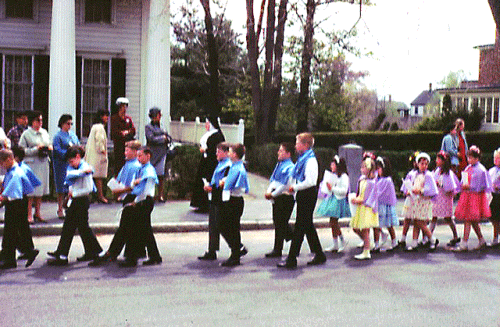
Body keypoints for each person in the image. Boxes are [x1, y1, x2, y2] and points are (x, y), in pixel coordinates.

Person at [88, 140, 142, 267]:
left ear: (134, 152)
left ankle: (120, 254)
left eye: (127, 150)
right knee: (126, 228)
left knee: (127, 228)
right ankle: (116, 253)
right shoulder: (128, 164)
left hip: (131, 198)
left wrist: (119, 191)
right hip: (126, 197)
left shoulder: (135, 166)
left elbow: (132, 186)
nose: (125, 152)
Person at [47, 146, 103, 266]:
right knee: (80, 227)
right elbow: (70, 179)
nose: (70, 164)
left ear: (78, 157)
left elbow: (88, 189)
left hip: (82, 200)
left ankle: (63, 255)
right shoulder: (80, 168)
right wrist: (71, 193)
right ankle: (92, 251)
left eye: (72, 161)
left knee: (71, 227)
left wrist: (73, 194)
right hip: (76, 200)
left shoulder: (85, 168)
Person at [278, 133, 326, 269]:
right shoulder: (303, 159)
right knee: (307, 225)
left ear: (305, 145)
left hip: (308, 194)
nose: (295, 145)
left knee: (300, 226)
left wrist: (295, 187)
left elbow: (311, 181)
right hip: (303, 194)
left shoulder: (310, 160)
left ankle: (291, 258)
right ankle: (319, 254)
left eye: (298, 142)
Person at [120, 146, 162, 267]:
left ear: (148, 156)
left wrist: (136, 201)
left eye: (140, 155)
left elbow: (146, 191)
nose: (138, 158)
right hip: (142, 201)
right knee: (145, 230)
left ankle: (132, 259)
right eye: (137, 156)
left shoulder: (149, 170)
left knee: (135, 229)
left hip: (144, 202)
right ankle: (154, 256)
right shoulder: (143, 169)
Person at [0, 149, 39, 269]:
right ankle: (26, 250)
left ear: (9, 160)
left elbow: (10, 193)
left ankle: (10, 259)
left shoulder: (15, 173)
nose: (1, 166)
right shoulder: (20, 169)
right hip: (21, 201)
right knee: (20, 228)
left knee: (10, 231)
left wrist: (2, 200)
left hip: (15, 203)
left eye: (1, 163)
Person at [198, 142, 232, 261]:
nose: (216, 153)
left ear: (226, 153)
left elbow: (225, 183)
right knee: (213, 225)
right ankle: (212, 250)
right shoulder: (220, 164)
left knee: (221, 225)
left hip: (221, 199)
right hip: (214, 197)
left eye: (219, 151)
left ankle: (237, 247)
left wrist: (212, 188)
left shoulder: (228, 166)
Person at [454, 146, 491, 252]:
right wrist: (463, 185)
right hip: (467, 196)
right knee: (472, 220)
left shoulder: (481, 170)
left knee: (468, 219)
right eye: (468, 158)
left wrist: (470, 186)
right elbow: (464, 179)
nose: (469, 160)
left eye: (471, 158)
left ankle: (464, 243)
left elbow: (482, 185)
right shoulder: (468, 167)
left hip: (475, 197)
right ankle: (481, 239)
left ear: (477, 158)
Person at [218, 143, 249, 267]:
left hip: (234, 201)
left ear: (235, 154)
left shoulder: (239, 168)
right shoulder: (235, 166)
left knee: (231, 228)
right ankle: (237, 249)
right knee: (227, 227)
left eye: (230, 151)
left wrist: (224, 184)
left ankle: (235, 254)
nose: (228, 153)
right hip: (231, 200)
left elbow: (239, 187)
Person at [402, 152, 439, 252]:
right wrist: (409, 191)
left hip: (423, 201)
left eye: (426, 164)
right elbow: (408, 185)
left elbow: (432, 190)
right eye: (422, 163)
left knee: (420, 222)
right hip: (415, 201)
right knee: (416, 221)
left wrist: (421, 191)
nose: (424, 166)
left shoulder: (428, 175)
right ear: (417, 164)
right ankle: (414, 242)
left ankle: (432, 239)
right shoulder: (414, 174)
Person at [19, 111, 52, 223]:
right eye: (38, 120)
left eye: (41, 120)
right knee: (31, 190)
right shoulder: (26, 134)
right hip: (32, 164)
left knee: (40, 189)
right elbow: (21, 150)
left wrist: (48, 147)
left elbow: (48, 143)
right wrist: (35, 149)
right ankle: (29, 214)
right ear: (32, 121)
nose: (40, 123)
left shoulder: (44, 132)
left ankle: (38, 212)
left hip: (43, 162)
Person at [264, 142, 295, 258]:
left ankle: (278, 249)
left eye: (281, 151)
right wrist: (269, 191)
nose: (278, 152)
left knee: (280, 223)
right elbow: (273, 180)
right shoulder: (279, 165)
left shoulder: (290, 167)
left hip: (285, 197)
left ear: (288, 154)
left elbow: (285, 185)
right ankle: (291, 236)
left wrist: (273, 194)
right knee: (278, 222)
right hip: (278, 196)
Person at [316, 155, 350, 253]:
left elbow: (344, 191)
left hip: (339, 200)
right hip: (333, 199)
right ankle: (335, 243)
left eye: (333, 164)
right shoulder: (335, 176)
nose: (331, 166)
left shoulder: (344, 177)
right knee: (332, 221)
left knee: (334, 221)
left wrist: (332, 188)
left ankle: (342, 240)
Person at [191, 118, 225, 213]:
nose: (206, 125)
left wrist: (205, 150)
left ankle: (207, 204)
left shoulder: (217, 135)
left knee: (209, 181)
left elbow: (216, 149)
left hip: (212, 162)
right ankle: (200, 204)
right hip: (205, 161)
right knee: (202, 181)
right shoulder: (209, 134)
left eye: (207, 123)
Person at [350, 156, 379, 260]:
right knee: (356, 228)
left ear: (369, 169)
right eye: (361, 167)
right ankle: (367, 244)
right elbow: (360, 193)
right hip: (360, 208)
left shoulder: (371, 182)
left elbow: (367, 198)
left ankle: (366, 251)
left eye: (364, 167)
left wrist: (357, 200)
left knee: (365, 229)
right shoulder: (362, 179)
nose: (361, 169)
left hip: (366, 208)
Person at [430, 151, 460, 247]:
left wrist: (441, 185)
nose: (436, 161)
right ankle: (428, 236)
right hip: (437, 197)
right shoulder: (436, 171)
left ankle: (455, 236)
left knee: (448, 218)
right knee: (433, 216)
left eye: (439, 159)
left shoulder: (448, 173)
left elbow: (451, 187)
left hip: (445, 198)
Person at [53, 114, 80, 219]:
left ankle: (69, 207)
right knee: (61, 187)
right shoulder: (58, 136)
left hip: (72, 164)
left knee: (71, 186)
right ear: (62, 124)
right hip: (61, 164)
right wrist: (67, 153)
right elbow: (57, 150)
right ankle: (59, 209)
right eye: (67, 123)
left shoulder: (72, 135)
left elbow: (77, 144)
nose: (69, 126)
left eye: (71, 124)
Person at [372, 157, 399, 252]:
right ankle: (376, 244)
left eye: (379, 168)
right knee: (376, 226)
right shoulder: (377, 178)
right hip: (378, 205)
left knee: (389, 225)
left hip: (385, 206)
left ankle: (394, 242)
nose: (377, 170)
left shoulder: (387, 180)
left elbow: (380, 193)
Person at [145, 107, 171, 202]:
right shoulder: (148, 127)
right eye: (158, 115)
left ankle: (160, 194)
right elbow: (151, 138)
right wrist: (162, 138)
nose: (160, 117)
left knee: (161, 175)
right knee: (150, 175)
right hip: (152, 154)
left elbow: (168, 137)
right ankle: (149, 194)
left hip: (162, 153)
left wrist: (166, 138)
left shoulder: (162, 126)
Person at [85, 110, 110, 204]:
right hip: (97, 155)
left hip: (92, 155)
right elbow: (99, 140)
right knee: (98, 177)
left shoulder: (94, 126)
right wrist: (103, 151)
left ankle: (92, 195)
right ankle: (100, 196)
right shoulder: (99, 127)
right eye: (105, 115)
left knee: (92, 176)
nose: (107, 117)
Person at [398, 152, 420, 249]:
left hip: (418, 199)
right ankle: (403, 238)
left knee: (417, 220)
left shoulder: (422, 174)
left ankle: (417, 240)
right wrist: (406, 191)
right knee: (407, 218)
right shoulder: (410, 173)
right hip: (410, 198)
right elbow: (405, 185)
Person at [111, 97, 135, 176]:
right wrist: (122, 133)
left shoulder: (128, 119)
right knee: (118, 166)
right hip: (119, 147)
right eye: (122, 107)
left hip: (128, 146)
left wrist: (127, 132)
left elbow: (133, 130)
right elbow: (114, 132)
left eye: (125, 106)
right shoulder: (114, 119)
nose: (124, 109)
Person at [488, 148, 500, 248]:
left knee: (497, 218)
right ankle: (496, 236)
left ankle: (496, 237)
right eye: (495, 158)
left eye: (498, 158)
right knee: (493, 217)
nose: (495, 160)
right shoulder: (492, 170)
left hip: (498, 195)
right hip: (493, 196)